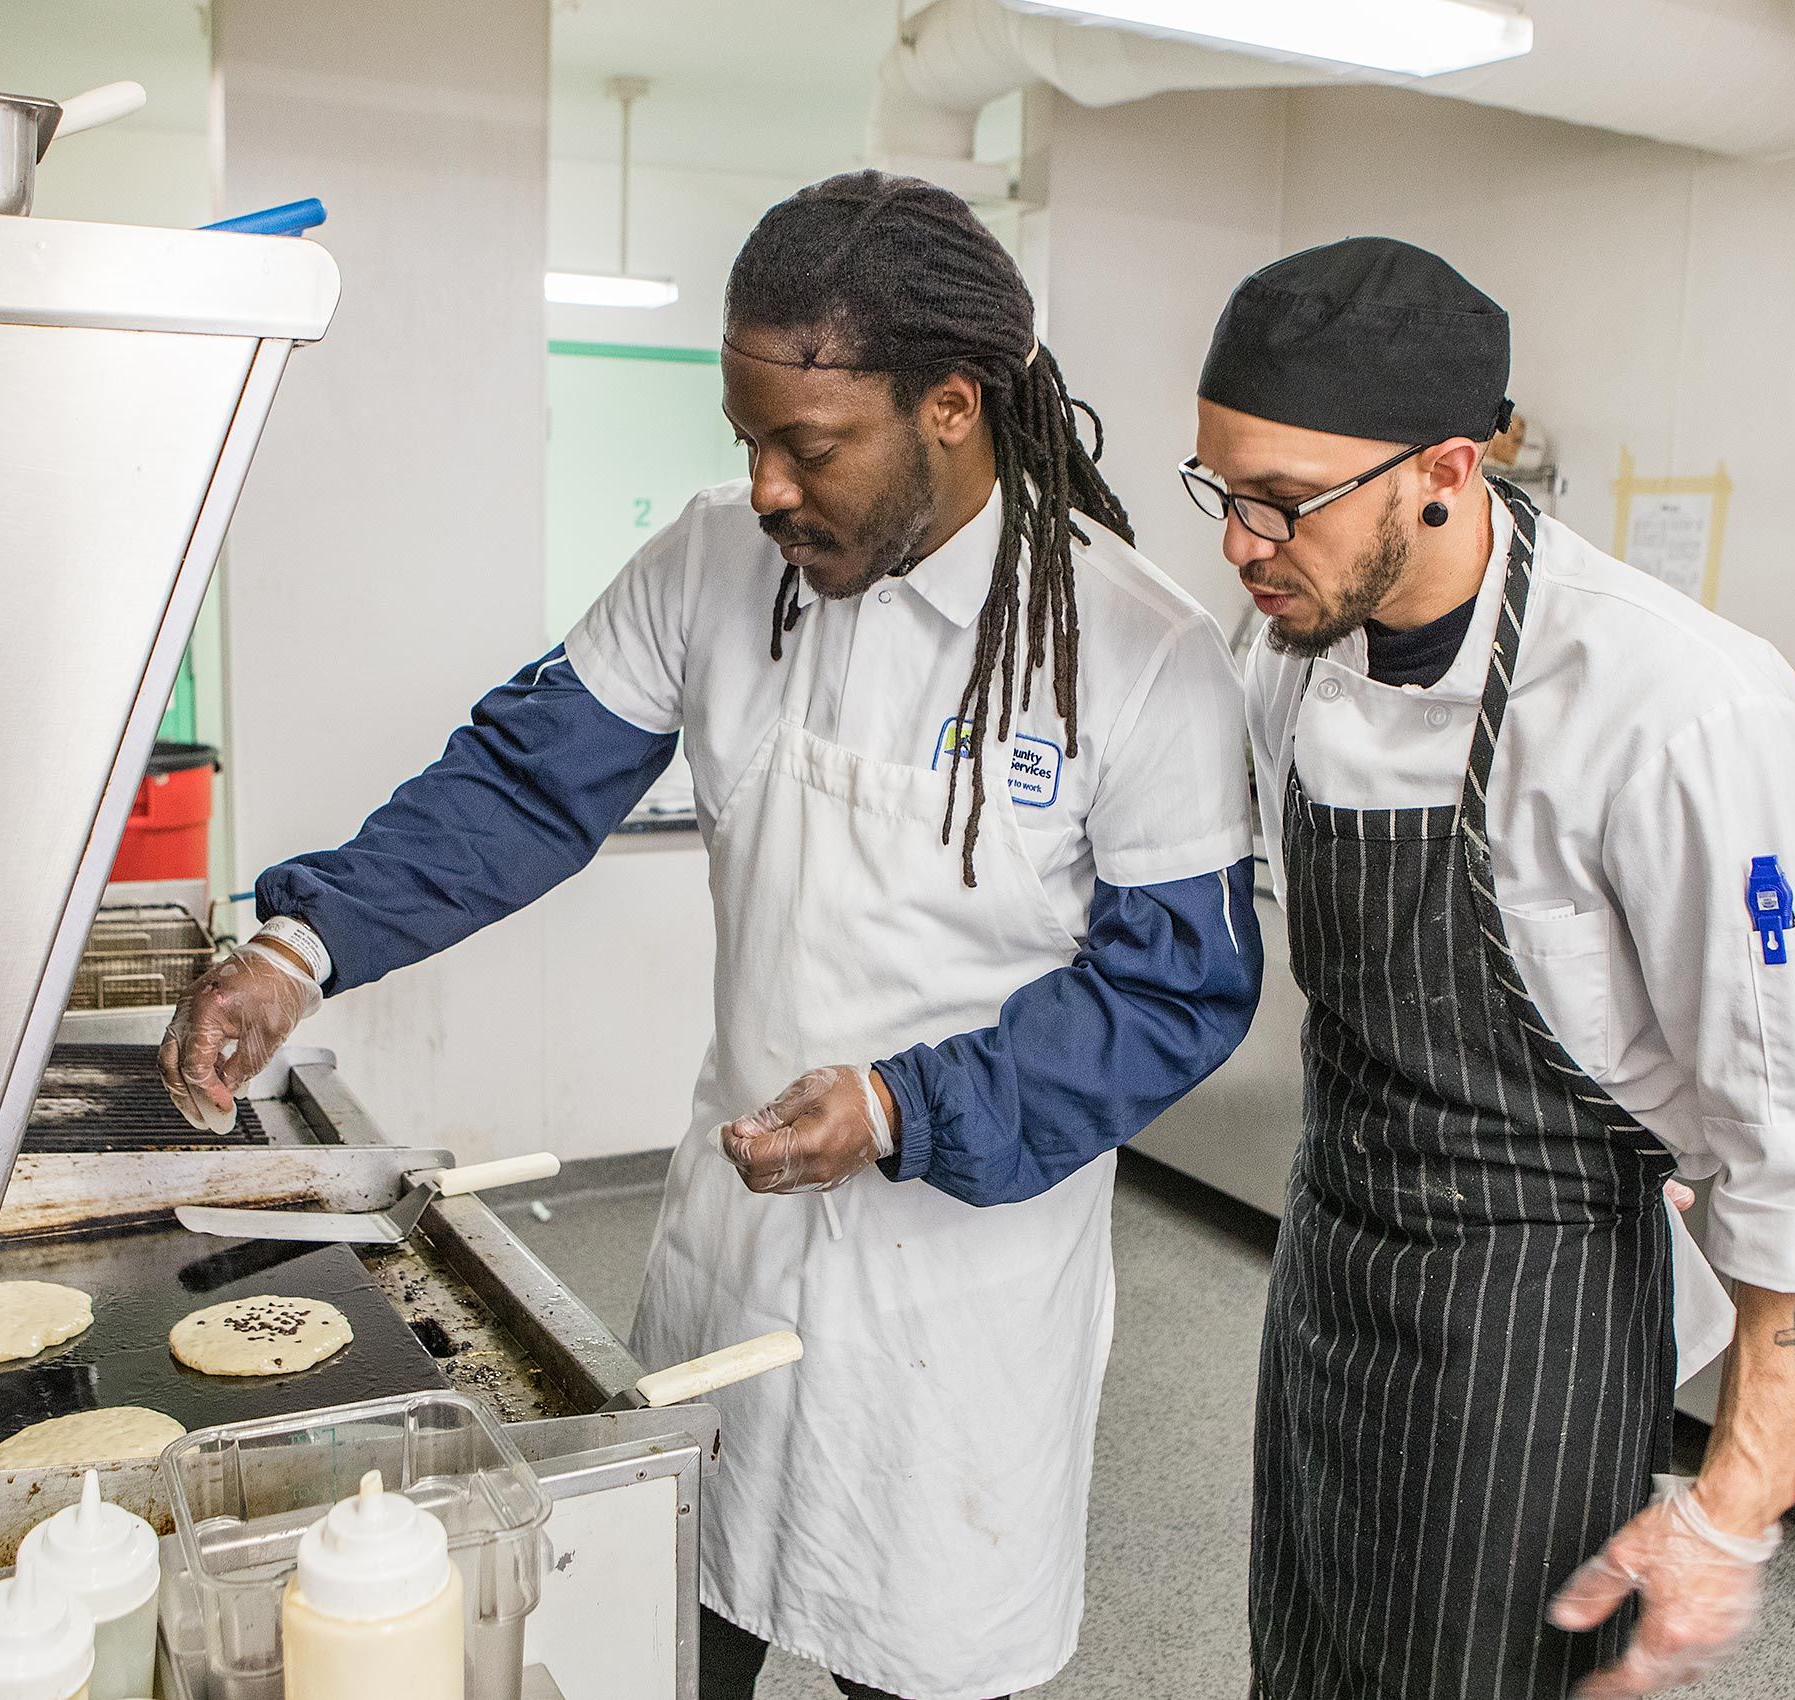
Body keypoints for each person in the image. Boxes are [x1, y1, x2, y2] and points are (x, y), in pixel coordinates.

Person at [159, 172, 1264, 1700]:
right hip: (736, 1238)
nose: (763, 489)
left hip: (963, 1296)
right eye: (745, 442)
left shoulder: (1133, 655)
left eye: (806, 446)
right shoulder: (714, 569)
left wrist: (897, 1106)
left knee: (921, 1661)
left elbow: (1173, 996)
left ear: (951, 405)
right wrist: (303, 946)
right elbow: (526, 782)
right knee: (671, 1636)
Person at [1185, 238, 1795, 1700]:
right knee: (1309, 1666)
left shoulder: (1681, 705)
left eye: (1283, 503)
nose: (1240, 544)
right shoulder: (1290, 649)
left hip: (1533, 1311)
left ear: (1446, 466)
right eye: (1223, 490)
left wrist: (1735, 1508)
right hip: (1329, 1263)